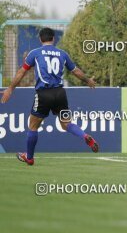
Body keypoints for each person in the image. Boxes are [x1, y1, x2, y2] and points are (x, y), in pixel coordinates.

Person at [0, 28, 98, 165]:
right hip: (60, 94)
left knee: (33, 126)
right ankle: (85, 136)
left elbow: (21, 72)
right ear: (54, 39)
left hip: (43, 94)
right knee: (67, 124)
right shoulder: (62, 54)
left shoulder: (35, 53)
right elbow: (75, 71)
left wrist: (10, 89)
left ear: (40, 39)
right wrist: (88, 81)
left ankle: (29, 157)